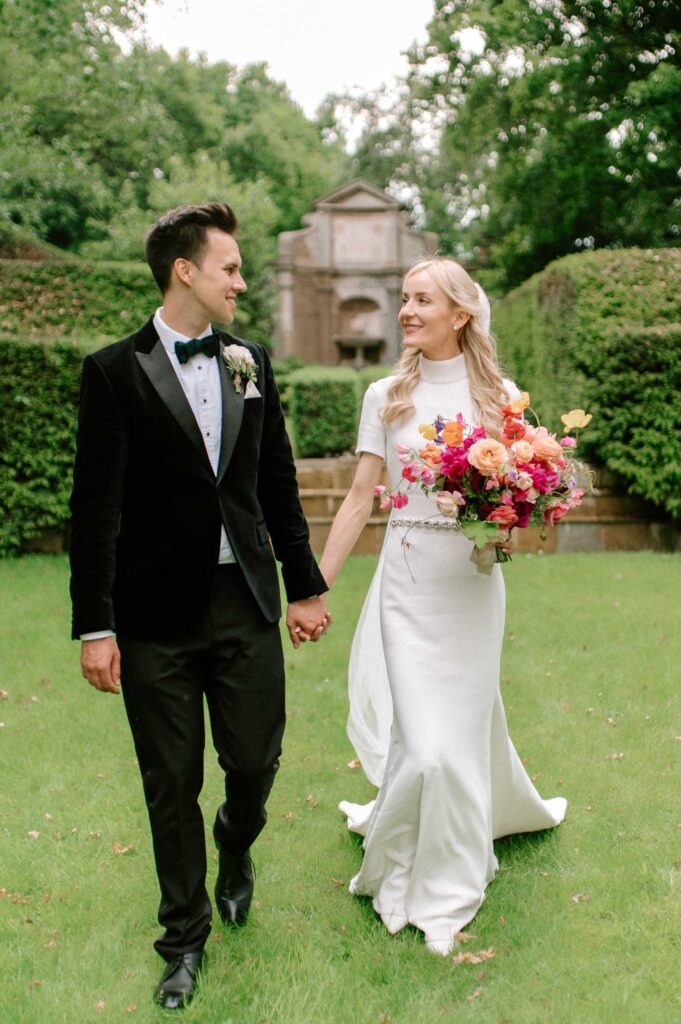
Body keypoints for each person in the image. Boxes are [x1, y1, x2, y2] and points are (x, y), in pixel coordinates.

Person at [69, 203, 330, 1009]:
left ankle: (236, 843)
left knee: (253, 763)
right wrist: (95, 623)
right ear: (186, 270)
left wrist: (304, 583)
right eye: (230, 269)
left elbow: (273, 482)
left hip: (243, 601)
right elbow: (95, 508)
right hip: (152, 618)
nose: (240, 283)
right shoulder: (113, 371)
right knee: (168, 783)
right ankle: (182, 941)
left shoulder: (250, 361)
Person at [318, 257, 566, 956]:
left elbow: (526, 505)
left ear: (460, 314)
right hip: (405, 581)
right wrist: (315, 584)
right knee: (424, 743)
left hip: (470, 583)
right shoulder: (384, 394)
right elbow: (360, 497)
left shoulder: (502, 399)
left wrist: (508, 516)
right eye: (403, 300)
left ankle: (450, 884)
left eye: (420, 300)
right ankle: (410, 866)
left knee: (449, 739)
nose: (405, 311)